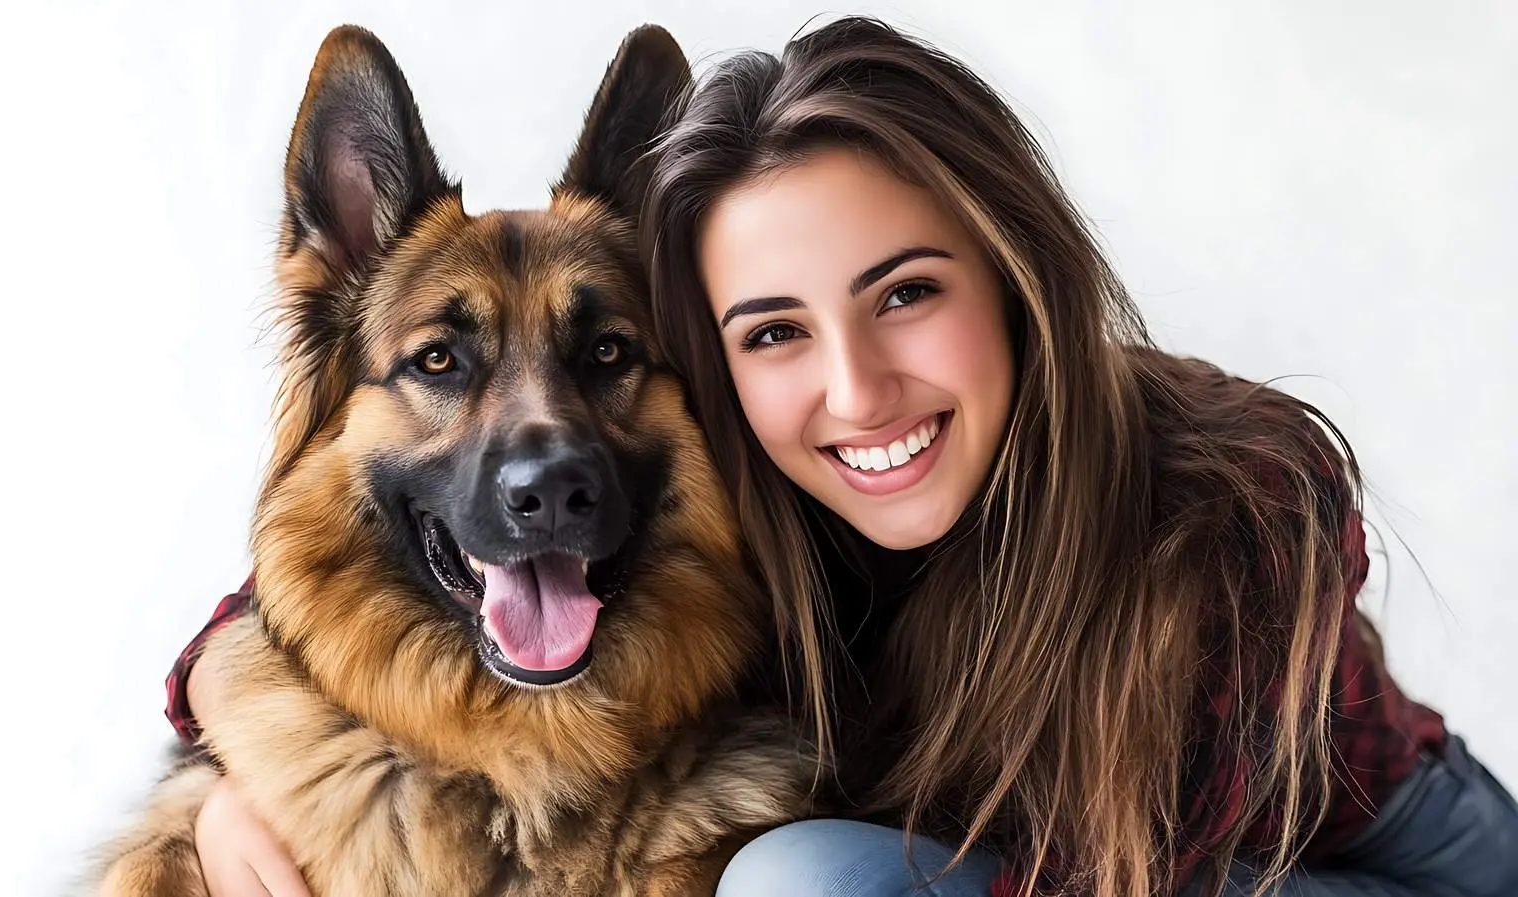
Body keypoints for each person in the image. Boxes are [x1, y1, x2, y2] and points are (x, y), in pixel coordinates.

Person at [167, 16, 1517, 897]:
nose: (857, 392)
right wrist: (231, 764)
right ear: (716, 354)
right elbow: (307, 575)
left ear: (1014, 272)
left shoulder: (1222, 511)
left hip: (1339, 859)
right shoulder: (757, 471)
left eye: (907, 293)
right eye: (773, 330)